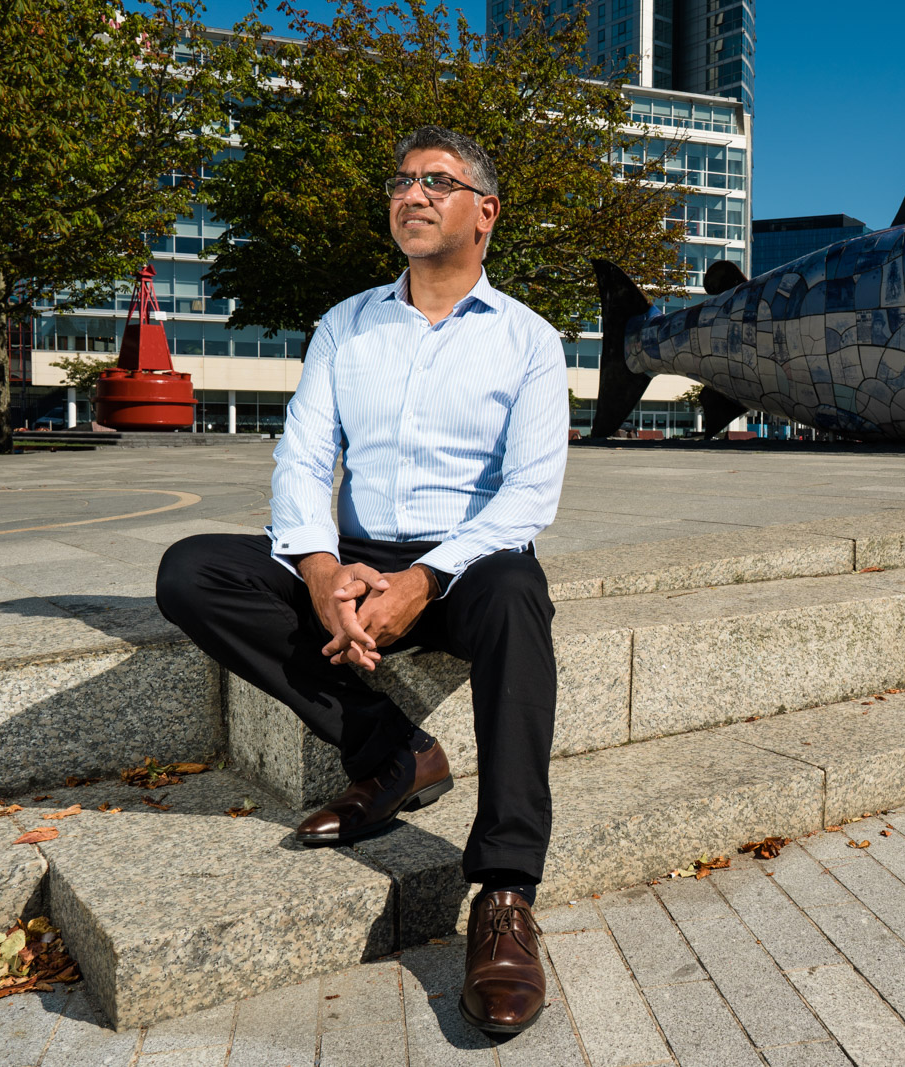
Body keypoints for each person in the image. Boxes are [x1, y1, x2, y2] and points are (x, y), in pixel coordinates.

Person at [155, 124, 569, 1037]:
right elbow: (303, 459)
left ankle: (503, 893)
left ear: (484, 213)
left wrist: (423, 578)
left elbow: (529, 496)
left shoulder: (531, 342)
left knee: (516, 594)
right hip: (354, 555)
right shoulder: (347, 323)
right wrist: (319, 572)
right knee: (192, 572)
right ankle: (394, 752)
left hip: (465, 565)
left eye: (437, 182)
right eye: (401, 182)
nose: (411, 195)